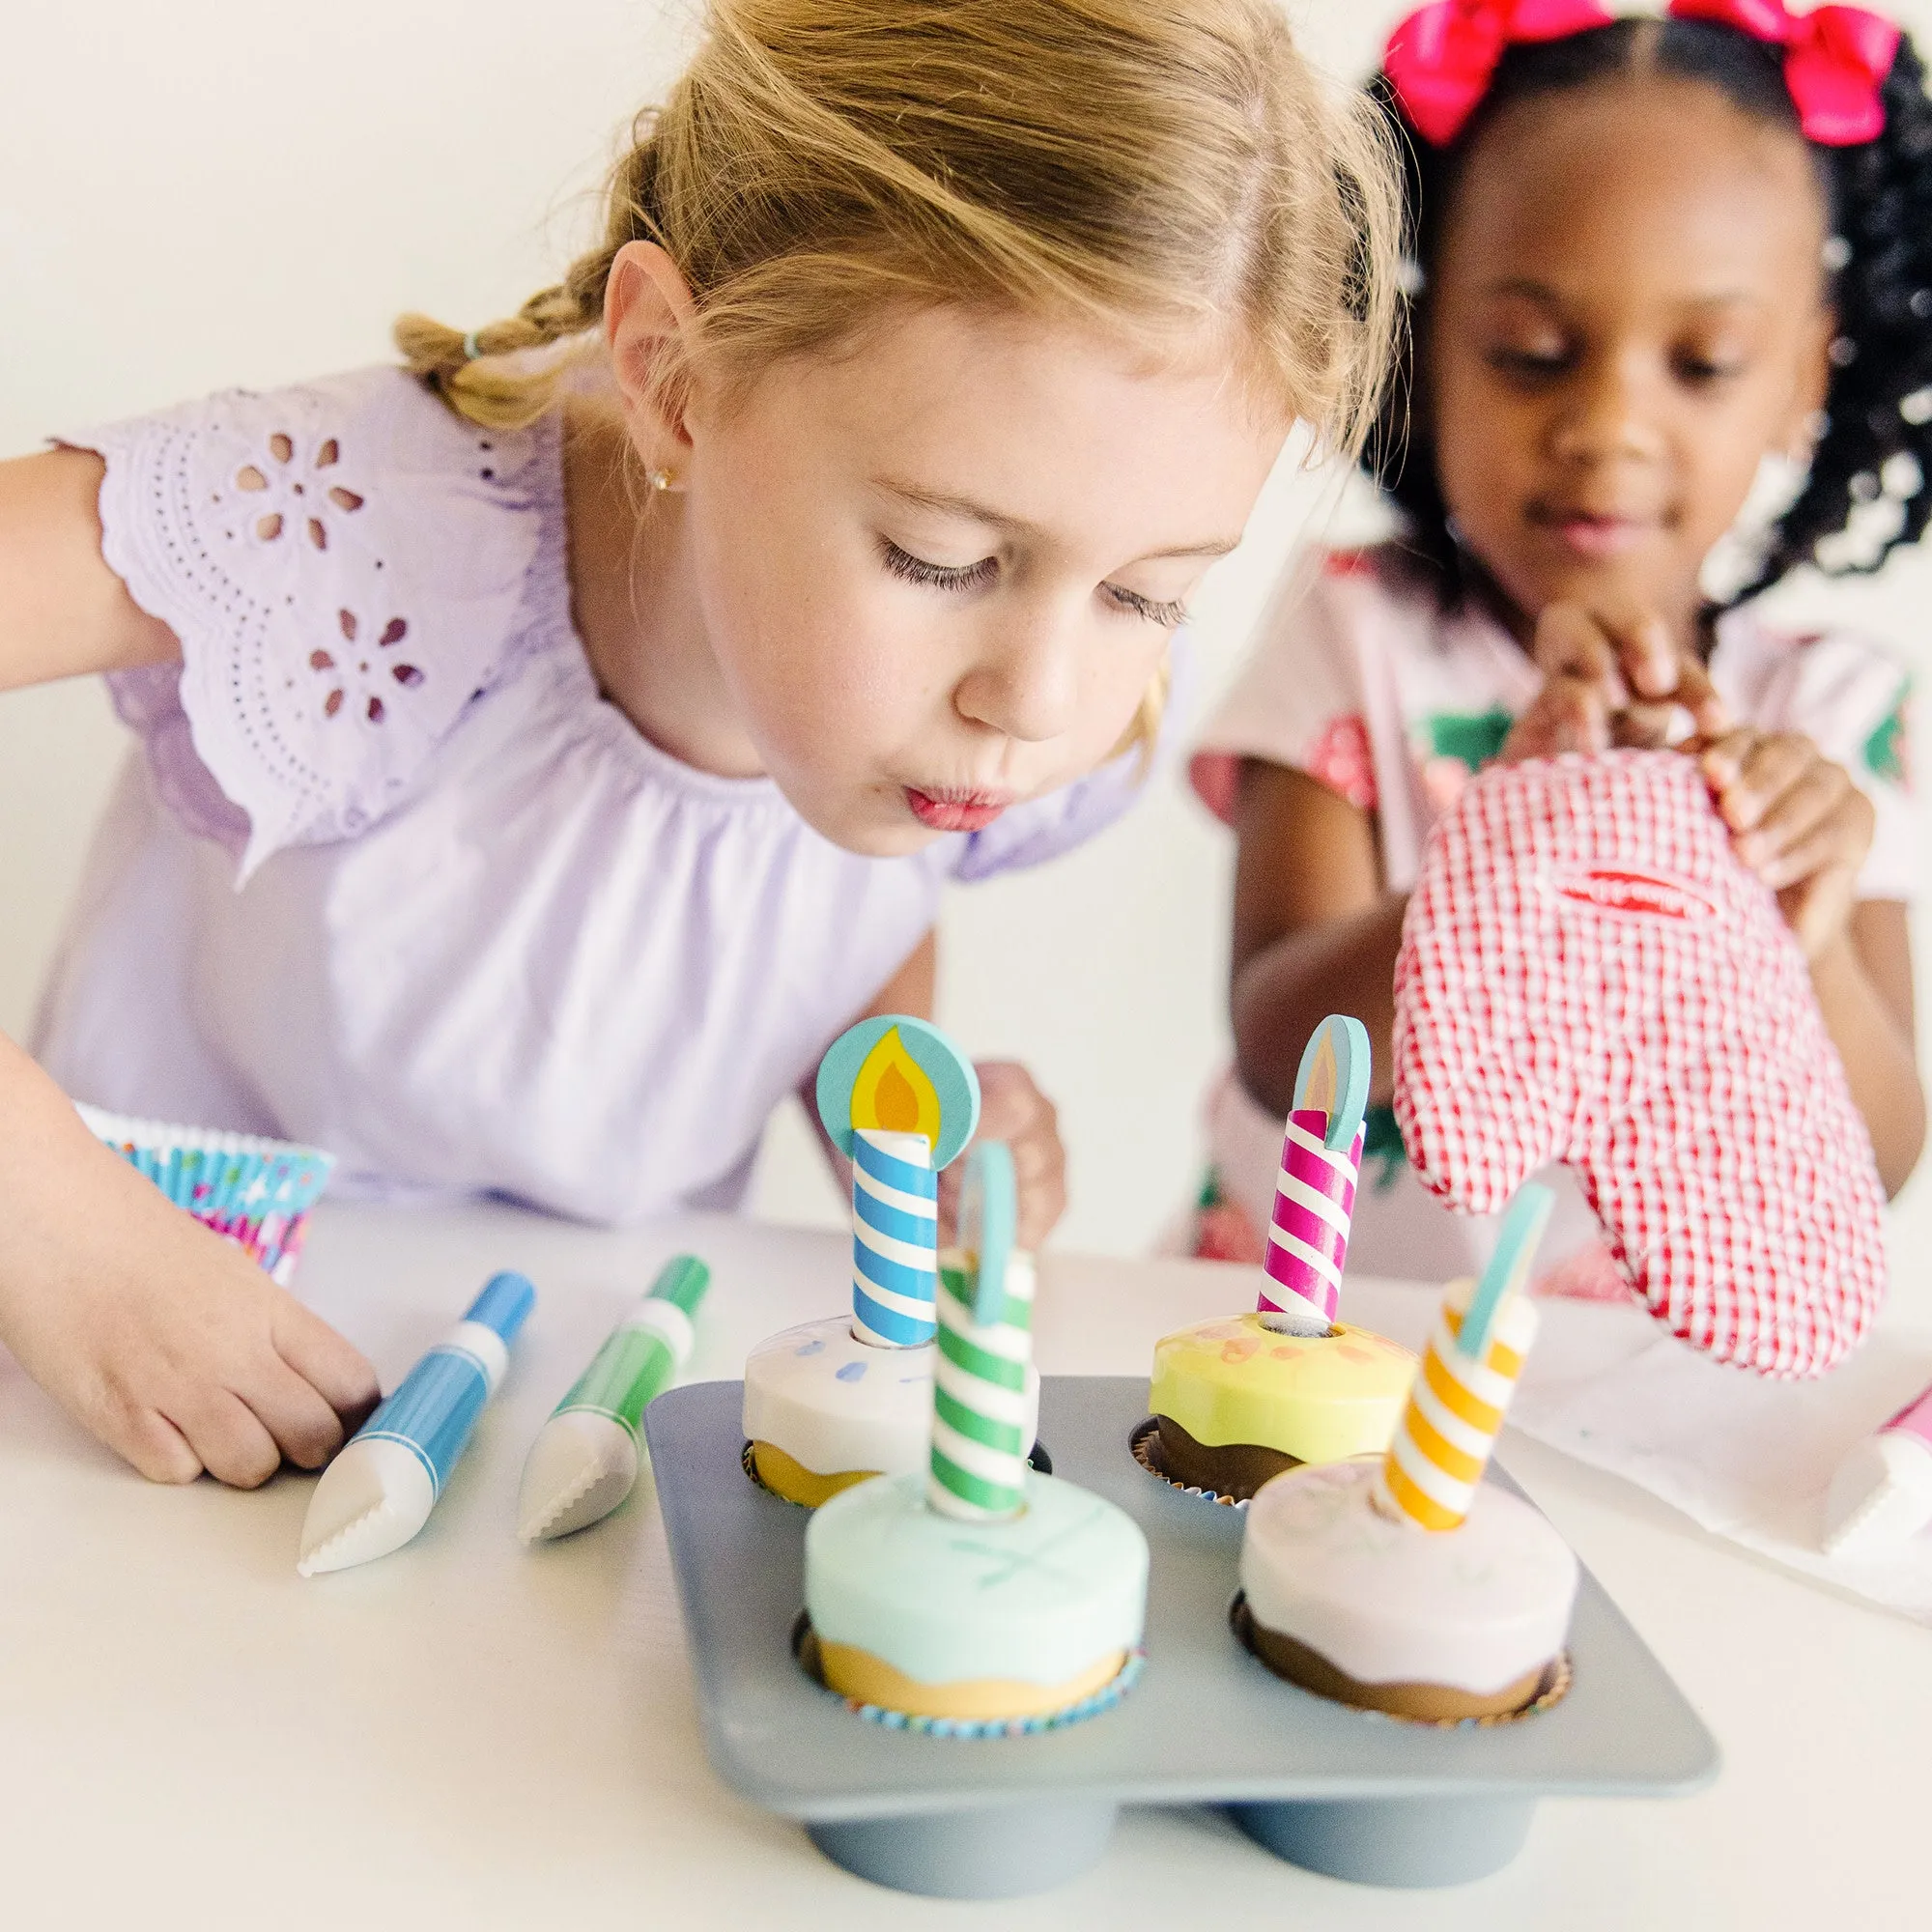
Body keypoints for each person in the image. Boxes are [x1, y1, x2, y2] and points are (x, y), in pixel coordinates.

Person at [0, 0, 1401, 1485]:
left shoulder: (955, 713)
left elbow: (807, 921)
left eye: (1148, 593)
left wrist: (895, 1115)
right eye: (938, 557)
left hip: (532, 1427)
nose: (1041, 699)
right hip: (96, 1425)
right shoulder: (346, 534)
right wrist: (48, 1213)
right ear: (672, 375)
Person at [1184, 0, 1925, 1287]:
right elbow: (1278, 1045)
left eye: (1702, 363)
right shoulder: (1357, 630)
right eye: (1532, 354)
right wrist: (1512, 846)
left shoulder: (1831, 714)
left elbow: (1875, 1164)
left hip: (1637, 1397)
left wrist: (1795, 929)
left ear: (1809, 373)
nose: (1608, 425)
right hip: (1315, 1341)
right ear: (1421, 346)